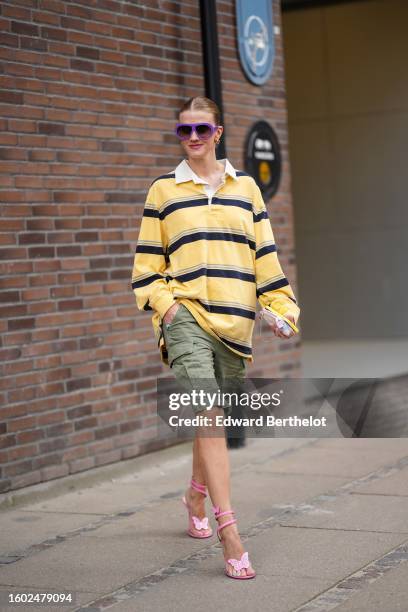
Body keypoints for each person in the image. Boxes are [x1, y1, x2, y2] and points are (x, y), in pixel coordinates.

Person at [131, 96, 300, 579]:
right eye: (184, 131)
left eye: (202, 129)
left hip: (234, 323)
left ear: (218, 132)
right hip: (185, 318)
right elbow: (146, 268)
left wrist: (280, 306)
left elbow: (263, 254)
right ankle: (230, 532)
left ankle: (194, 496)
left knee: (214, 414)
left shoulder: (246, 189)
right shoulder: (163, 191)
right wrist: (168, 308)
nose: (193, 139)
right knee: (208, 410)